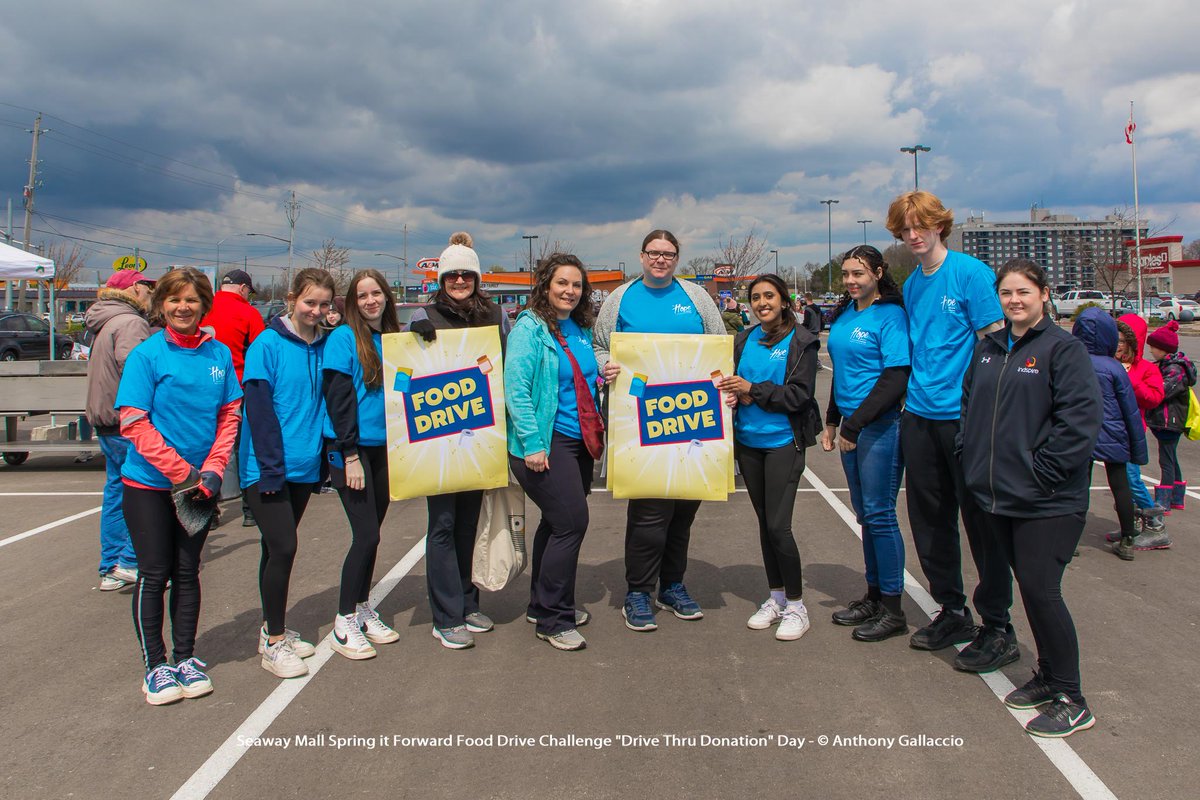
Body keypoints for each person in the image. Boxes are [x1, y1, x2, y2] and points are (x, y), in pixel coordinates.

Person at [959, 260, 1102, 737]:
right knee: (1030, 591)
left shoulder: (1064, 349)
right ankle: (1048, 677)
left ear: (1043, 294)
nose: (1014, 301)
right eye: (1006, 293)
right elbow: (968, 407)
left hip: (1047, 500)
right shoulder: (987, 348)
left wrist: (1041, 474)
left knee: (1043, 592)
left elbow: (1078, 424)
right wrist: (970, 455)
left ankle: (1072, 698)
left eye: (1023, 292)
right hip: (998, 495)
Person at [885, 190, 1015, 672]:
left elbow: (995, 346)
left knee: (981, 524)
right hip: (918, 415)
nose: (913, 235)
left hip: (963, 419)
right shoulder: (915, 282)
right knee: (929, 521)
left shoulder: (971, 273)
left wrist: (986, 414)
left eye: (921, 226)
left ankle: (998, 626)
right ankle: (952, 610)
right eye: (904, 229)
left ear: (940, 225)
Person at [115, 268, 242, 705]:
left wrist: (213, 469)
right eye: (174, 300)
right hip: (150, 485)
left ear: (204, 304)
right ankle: (156, 666)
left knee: (188, 573)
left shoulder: (219, 355)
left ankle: (185, 658)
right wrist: (181, 472)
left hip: (199, 486)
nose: (183, 307)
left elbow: (229, 415)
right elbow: (133, 422)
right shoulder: (147, 355)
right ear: (161, 305)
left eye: (191, 300)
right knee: (155, 574)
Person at [593, 229, 726, 632]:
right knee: (649, 512)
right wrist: (605, 367)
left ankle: (672, 586)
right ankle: (637, 591)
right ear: (641, 256)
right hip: (639, 421)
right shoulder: (619, 298)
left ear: (677, 258)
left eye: (668, 254)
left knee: (684, 510)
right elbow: (598, 346)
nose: (661, 259)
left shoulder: (697, 298)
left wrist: (724, 389)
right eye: (654, 253)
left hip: (692, 417)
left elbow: (719, 346)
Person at [505, 254, 615, 651]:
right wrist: (532, 442)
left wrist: (604, 374)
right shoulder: (529, 328)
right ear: (545, 285)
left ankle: (541, 603)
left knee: (554, 524)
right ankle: (554, 619)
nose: (569, 291)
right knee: (571, 523)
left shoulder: (580, 327)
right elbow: (515, 388)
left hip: (578, 440)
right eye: (562, 283)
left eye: (576, 285)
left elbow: (582, 374)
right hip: (543, 441)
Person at [409, 233, 511, 649]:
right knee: (443, 525)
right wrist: (412, 336)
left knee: (471, 522)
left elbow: (506, 361)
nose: (459, 281)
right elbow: (408, 371)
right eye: (452, 275)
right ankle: (445, 615)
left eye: (466, 274)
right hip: (438, 440)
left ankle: (469, 603)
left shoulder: (494, 314)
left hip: (480, 437)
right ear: (442, 278)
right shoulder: (425, 313)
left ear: (477, 277)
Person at [242, 269, 335, 678]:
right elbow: (259, 412)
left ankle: (271, 628)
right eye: (309, 302)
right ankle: (275, 643)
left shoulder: (324, 345)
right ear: (292, 298)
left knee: (272, 549)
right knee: (284, 547)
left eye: (324, 304)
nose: (315, 311)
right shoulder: (267, 345)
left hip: (303, 467)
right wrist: (271, 469)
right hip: (267, 469)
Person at [718, 274, 821, 641]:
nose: (763, 303)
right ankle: (776, 596)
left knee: (779, 525)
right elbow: (730, 383)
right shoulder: (744, 339)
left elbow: (799, 396)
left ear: (783, 300)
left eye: (769, 296)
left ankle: (797, 605)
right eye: (756, 297)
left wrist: (752, 390)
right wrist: (734, 394)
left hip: (782, 443)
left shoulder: (802, 341)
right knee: (765, 524)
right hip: (748, 443)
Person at [820, 246, 911, 642]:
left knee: (880, 514)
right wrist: (831, 420)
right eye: (846, 274)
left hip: (879, 427)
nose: (851, 281)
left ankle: (893, 608)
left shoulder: (890, 315)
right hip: (851, 426)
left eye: (859, 273)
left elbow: (895, 377)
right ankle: (873, 596)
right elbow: (843, 375)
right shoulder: (844, 315)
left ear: (878, 272)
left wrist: (853, 426)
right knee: (865, 515)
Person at [323, 268, 402, 660]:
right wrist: (349, 454)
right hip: (351, 451)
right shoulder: (342, 338)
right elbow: (338, 399)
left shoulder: (390, 340)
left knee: (374, 534)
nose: (370, 300)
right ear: (352, 302)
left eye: (376, 293)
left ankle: (361, 606)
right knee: (365, 535)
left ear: (386, 297)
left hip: (385, 448)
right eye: (362, 295)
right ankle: (343, 620)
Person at [84, 269, 154, 591]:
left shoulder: (106, 320)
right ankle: (129, 561)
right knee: (141, 491)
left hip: (105, 419)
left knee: (116, 491)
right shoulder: (130, 322)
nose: (151, 292)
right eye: (147, 286)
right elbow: (134, 368)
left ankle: (112, 565)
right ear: (135, 289)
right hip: (125, 420)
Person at [1071, 308, 1148, 561]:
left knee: (1078, 487)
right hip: (1113, 433)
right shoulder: (1114, 368)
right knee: (1120, 485)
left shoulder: (1070, 362)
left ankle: (1070, 542)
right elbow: (1130, 410)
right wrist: (1138, 449)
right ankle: (1127, 539)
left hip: (1079, 432)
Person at [201, 268, 267, 527]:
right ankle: (250, 509)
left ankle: (209, 506)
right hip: (237, 388)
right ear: (243, 288)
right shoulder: (248, 312)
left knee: (209, 446)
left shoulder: (204, 307)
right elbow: (261, 350)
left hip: (205, 386)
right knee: (241, 447)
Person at [1111, 315, 1167, 548]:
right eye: (1115, 339)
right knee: (1119, 482)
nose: (1117, 345)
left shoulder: (1145, 368)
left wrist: (1129, 381)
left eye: (1123, 341)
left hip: (1130, 431)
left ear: (1134, 342)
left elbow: (1154, 398)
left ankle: (1155, 525)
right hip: (1108, 431)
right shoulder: (1108, 362)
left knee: (1131, 479)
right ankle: (1130, 525)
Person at [1145, 320, 1195, 517]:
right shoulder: (1168, 365)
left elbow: (1162, 391)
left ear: (1164, 350)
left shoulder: (1175, 369)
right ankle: (1176, 498)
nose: (1151, 351)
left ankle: (1163, 501)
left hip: (1169, 422)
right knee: (1171, 458)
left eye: (1153, 348)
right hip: (1166, 421)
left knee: (1166, 460)